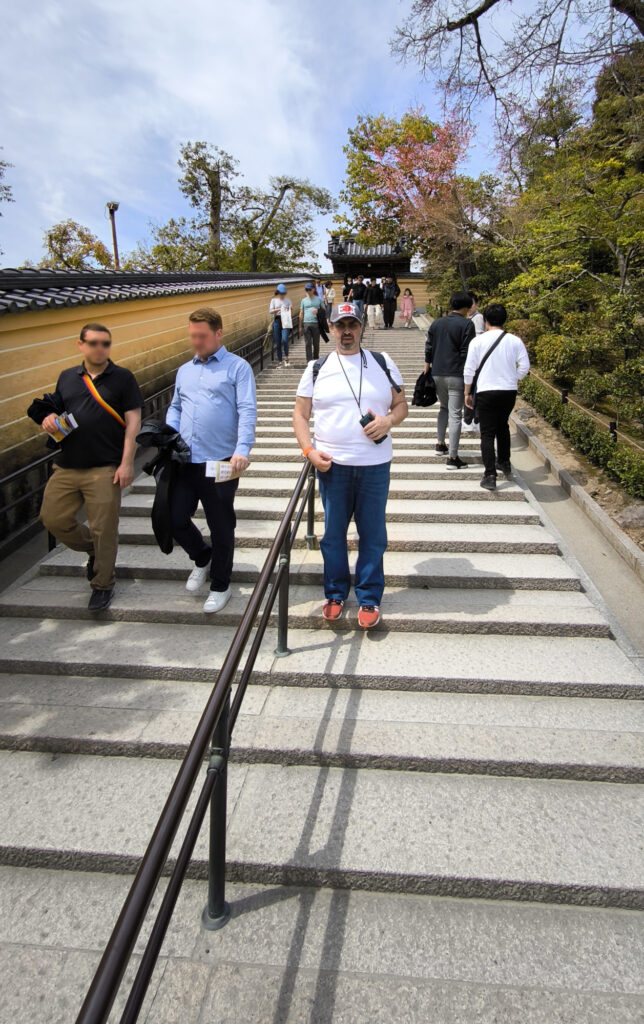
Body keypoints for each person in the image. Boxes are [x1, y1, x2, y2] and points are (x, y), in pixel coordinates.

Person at [292, 301, 408, 629]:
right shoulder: (316, 367)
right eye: (340, 325)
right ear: (330, 328)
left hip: (374, 464)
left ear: (362, 328)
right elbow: (300, 415)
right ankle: (335, 593)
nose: (346, 332)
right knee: (332, 535)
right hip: (333, 465)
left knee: (373, 534)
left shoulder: (383, 363)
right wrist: (308, 450)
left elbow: (401, 405)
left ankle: (369, 596)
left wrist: (388, 421)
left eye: (352, 325)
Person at [38, 323, 143, 611]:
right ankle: (94, 550)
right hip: (67, 464)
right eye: (94, 343)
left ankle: (102, 584)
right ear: (80, 344)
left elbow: (134, 422)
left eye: (105, 343)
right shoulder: (67, 377)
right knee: (53, 518)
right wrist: (49, 417)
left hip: (105, 468)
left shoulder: (122, 378)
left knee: (104, 528)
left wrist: (126, 463)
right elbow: (57, 410)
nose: (100, 348)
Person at [166, 307, 257, 612]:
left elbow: (247, 409)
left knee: (220, 525)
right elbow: (176, 407)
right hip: (185, 460)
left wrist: (242, 449)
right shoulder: (185, 370)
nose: (196, 342)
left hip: (221, 461)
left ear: (218, 333)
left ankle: (220, 584)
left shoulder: (238, 368)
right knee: (174, 518)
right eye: (192, 336)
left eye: (202, 336)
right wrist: (171, 434)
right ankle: (202, 557)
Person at [464, 303, 530, 491]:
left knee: (487, 432)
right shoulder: (515, 341)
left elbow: (469, 370)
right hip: (508, 391)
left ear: (485, 321)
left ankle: (490, 474)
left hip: (485, 390)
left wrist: (467, 392)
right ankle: (505, 463)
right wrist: (513, 378)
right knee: (502, 426)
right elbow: (524, 367)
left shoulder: (477, 341)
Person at [424, 292, 476, 469]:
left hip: (437, 372)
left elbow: (429, 346)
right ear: (466, 307)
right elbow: (466, 352)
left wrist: (427, 369)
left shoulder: (437, 323)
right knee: (455, 414)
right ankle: (453, 458)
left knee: (444, 408)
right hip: (456, 374)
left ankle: (440, 444)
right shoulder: (467, 324)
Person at [299, 282, 323, 361]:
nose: (308, 291)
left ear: (313, 289)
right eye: (306, 289)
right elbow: (301, 313)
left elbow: (324, 310)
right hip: (306, 323)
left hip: (316, 323)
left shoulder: (318, 299)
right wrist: (300, 326)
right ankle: (309, 361)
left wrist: (318, 311)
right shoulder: (303, 300)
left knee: (316, 343)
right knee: (307, 343)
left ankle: (316, 358)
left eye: (309, 289)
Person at [269, 284, 291, 368]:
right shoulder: (273, 300)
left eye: (284, 293)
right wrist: (279, 309)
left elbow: (290, 309)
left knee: (285, 339)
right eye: (281, 293)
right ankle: (280, 360)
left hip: (286, 320)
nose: (283, 295)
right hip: (277, 320)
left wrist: (289, 308)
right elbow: (270, 311)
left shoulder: (287, 300)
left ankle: (286, 357)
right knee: (278, 342)